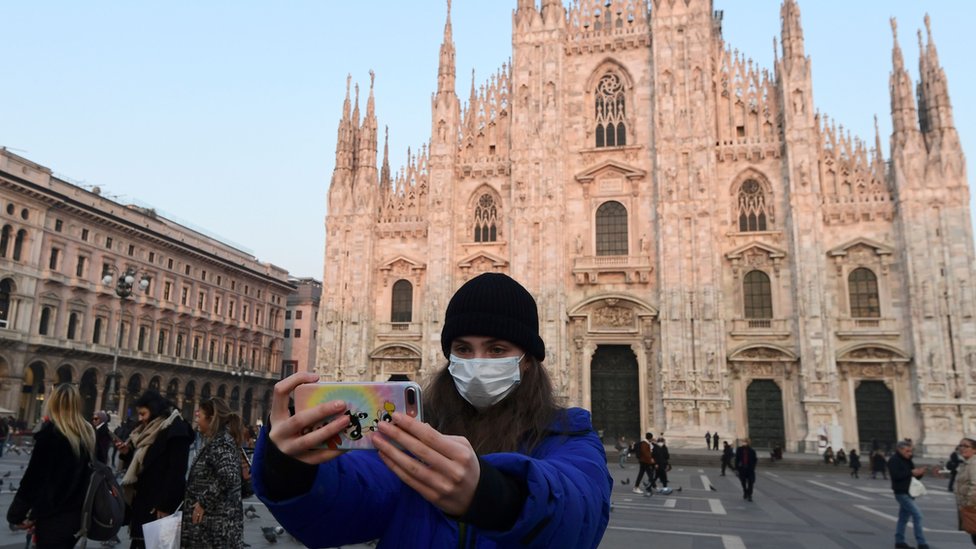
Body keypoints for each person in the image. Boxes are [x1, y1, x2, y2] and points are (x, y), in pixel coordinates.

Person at [253, 272, 612, 547]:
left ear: (528, 362)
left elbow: (580, 509)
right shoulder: (415, 436)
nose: (478, 361)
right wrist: (288, 468)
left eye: (498, 349)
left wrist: (497, 495)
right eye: (463, 349)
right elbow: (351, 498)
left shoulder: (568, 435)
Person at [7, 383, 94, 548]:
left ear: (52, 404)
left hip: (52, 517)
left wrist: (16, 515)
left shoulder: (51, 435)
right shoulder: (88, 436)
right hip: (78, 517)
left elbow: (33, 480)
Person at [115, 390, 193, 549]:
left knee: (155, 544)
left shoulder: (174, 430)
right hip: (144, 501)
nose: (140, 418)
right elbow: (146, 464)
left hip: (159, 506)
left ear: (154, 410)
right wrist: (128, 454)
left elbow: (176, 472)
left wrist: (165, 505)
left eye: (143, 414)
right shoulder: (147, 432)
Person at [181, 398, 244, 548]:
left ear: (211, 419)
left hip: (216, 527)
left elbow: (229, 476)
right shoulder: (216, 440)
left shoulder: (221, 442)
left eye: (199, 416)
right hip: (211, 524)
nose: (196, 420)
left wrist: (203, 502)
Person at [888, 440, 929, 549]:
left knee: (903, 518)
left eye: (911, 451)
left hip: (909, 492)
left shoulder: (908, 460)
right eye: (907, 451)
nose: (910, 453)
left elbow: (913, 476)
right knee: (918, 515)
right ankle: (921, 543)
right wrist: (912, 472)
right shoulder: (894, 460)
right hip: (901, 492)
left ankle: (899, 541)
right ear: (899, 449)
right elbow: (896, 476)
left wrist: (920, 473)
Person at [954, 437, 976, 545]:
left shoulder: (974, 464)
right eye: (960, 446)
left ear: (974, 449)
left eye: (966, 446)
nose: (962, 448)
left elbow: (975, 486)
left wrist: (968, 505)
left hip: (973, 509)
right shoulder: (965, 464)